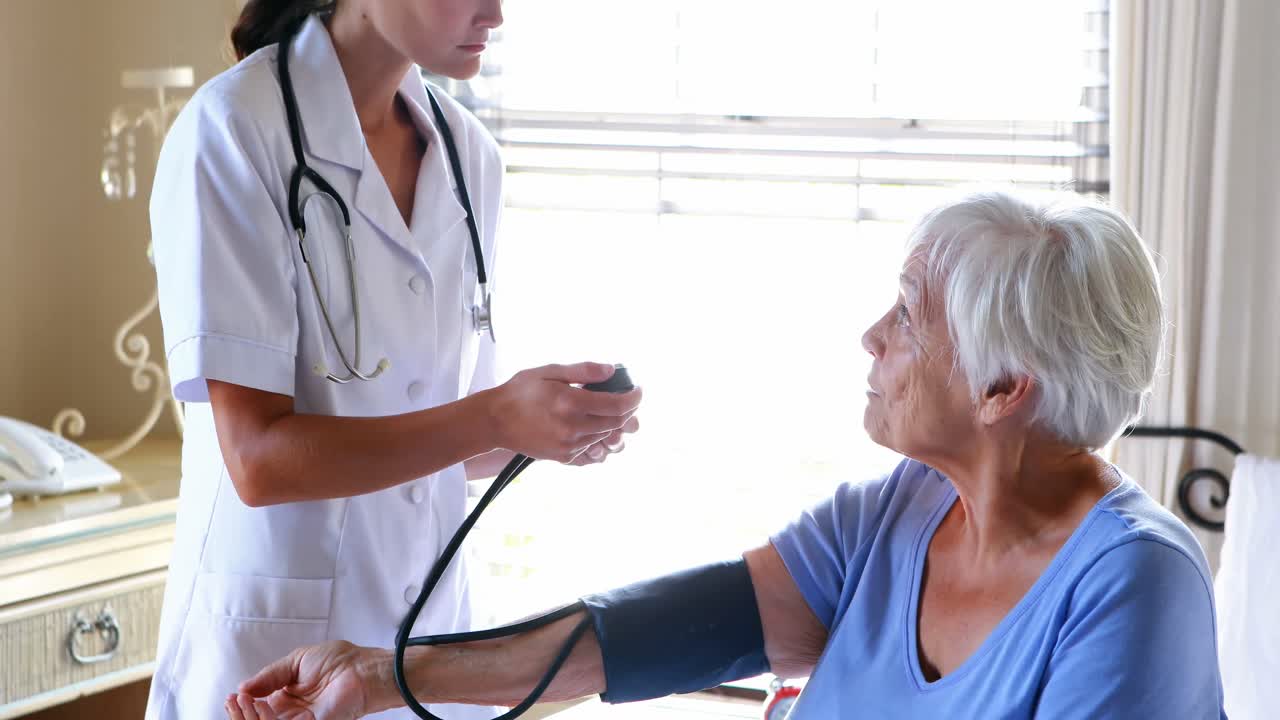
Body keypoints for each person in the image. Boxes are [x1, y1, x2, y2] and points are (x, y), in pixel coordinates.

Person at [225, 191, 1226, 720]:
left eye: (909, 317)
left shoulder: (1131, 586)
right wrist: (379, 673)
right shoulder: (898, 513)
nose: (870, 336)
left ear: (1004, 392)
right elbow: (646, 635)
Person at [147, 1, 643, 718]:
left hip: (429, 654)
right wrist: (497, 415)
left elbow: (449, 438)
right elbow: (259, 460)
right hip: (269, 668)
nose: (495, 14)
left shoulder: (469, 155)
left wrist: (550, 427)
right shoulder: (233, 129)